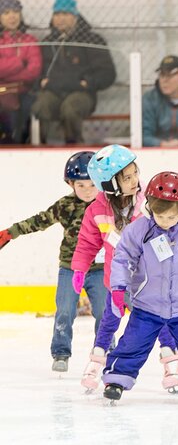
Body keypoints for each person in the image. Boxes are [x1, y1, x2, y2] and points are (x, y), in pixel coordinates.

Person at [101, 172, 178, 402]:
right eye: (159, 215)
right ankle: (117, 379)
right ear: (149, 207)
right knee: (132, 344)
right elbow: (122, 259)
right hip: (146, 306)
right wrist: (119, 289)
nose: (165, 221)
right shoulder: (139, 230)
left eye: (171, 216)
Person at [70, 144, 178, 394]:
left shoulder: (149, 202)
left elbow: (170, 233)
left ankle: (172, 364)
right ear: (110, 184)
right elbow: (87, 243)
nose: (135, 180)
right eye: (128, 177)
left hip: (151, 281)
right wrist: (79, 268)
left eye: (135, 173)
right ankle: (96, 362)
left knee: (162, 323)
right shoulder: (96, 210)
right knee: (109, 323)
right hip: (117, 281)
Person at [0, 151, 105, 372]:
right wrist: (12, 232)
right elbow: (40, 220)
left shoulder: (108, 205)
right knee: (65, 310)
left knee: (104, 311)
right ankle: (61, 352)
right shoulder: (64, 205)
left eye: (92, 185)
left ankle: (105, 349)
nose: (87, 191)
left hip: (100, 269)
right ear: (71, 184)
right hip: (70, 267)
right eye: (81, 185)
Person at [32, 0, 116, 144]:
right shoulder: (47, 42)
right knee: (41, 105)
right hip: (53, 92)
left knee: (71, 108)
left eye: (65, 13)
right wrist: (40, 82)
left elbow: (108, 73)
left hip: (82, 93)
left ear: (75, 16)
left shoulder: (92, 40)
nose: (60, 18)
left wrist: (88, 83)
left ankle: (73, 146)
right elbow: (37, 70)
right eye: (57, 14)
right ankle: (42, 146)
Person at [0, 0, 41, 143]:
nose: (12, 16)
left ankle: (17, 143)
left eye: (15, 12)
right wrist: (19, 63)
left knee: (24, 109)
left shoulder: (30, 40)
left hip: (24, 91)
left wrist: (6, 73)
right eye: (6, 13)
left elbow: (33, 71)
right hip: (2, 91)